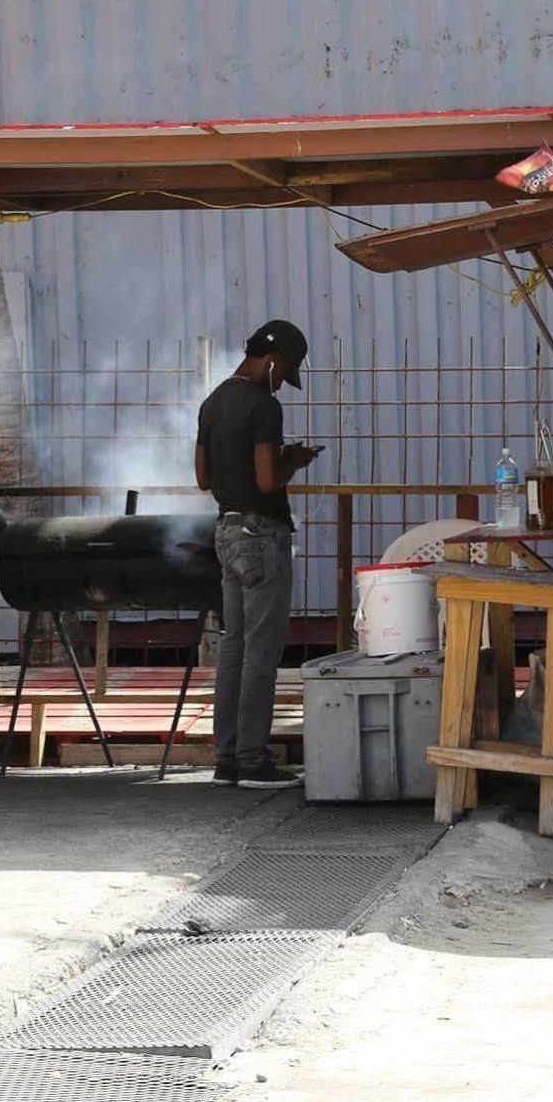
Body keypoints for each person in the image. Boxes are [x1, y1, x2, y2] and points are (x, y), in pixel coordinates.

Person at [194, 320, 319, 790]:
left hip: (226, 531)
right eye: (285, 371)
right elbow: (268, 481)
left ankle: (226, 759)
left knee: (233, 648)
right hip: (263, 535)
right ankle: (253, 761)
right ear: (271, 360)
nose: (283, 381)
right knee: (261, 653)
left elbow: (203, 478)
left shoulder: (213, 402)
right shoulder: (264, 407)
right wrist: (294, 460)